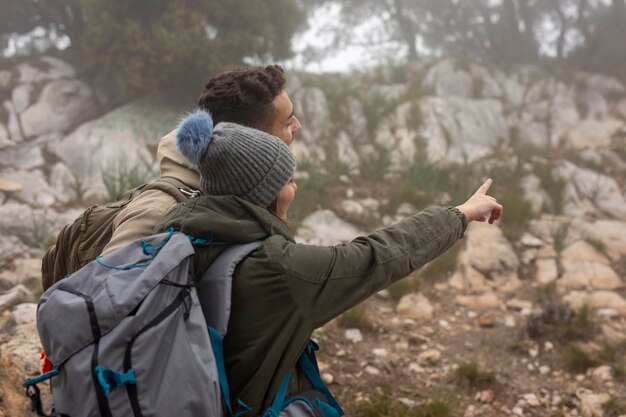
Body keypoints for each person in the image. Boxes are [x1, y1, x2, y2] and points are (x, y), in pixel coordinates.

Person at [157, 110, 504, 416]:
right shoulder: (277, 269)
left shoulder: (172, 232)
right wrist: (459, 214)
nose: (295, 185)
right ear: (262, 194)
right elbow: (378, 256)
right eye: (286, 179)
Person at [103, 65, 301, 254]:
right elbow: (106, 283)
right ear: (251, 139)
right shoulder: (158, 211)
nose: (298, 126)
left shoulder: (249, 194)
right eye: (287, 121)